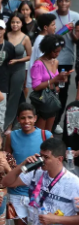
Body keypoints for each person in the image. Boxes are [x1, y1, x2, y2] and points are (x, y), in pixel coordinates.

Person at [4, 102, 52, 225]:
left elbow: (53, 162)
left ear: (35, 119)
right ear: (18, 119)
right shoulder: (12, 136)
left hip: (39, 193)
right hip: (16, 192)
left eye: (30, 117)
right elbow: (6, 160)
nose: (26, 121)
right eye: (22, 118)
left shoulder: (45, 135)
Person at [30, 34, 69, 132]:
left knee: (48, 132)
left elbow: (55, 81)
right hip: (42, 101)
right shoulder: (38, 64)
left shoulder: (55, 62)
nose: (57, 54)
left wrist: (62, 79)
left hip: (52, 100)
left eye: (59, 51)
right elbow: (36, 86)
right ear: (48, 49)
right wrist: (54, 80)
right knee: (39, 133)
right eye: (55, 51)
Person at [51, 0, 79, 134]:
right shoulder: (50, 16)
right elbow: (45, 37)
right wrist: (60, 32)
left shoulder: (76, 16)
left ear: (70, 2)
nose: (63, 3)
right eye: (61, 0)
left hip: (66, 61)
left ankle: (56, 121)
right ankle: (46, 120)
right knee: (48, 90)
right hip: (50, 60)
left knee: (62, 93)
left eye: (66, 0)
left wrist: (71, 32)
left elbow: (77, 40)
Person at [5, 12, 32, 133]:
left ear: (22, 24)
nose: (15, 24)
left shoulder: (25, 37)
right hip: (5, 70)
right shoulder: (5, 35)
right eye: (13, 22)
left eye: (17, 22)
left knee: (13, 97)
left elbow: (30, 56)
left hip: (19, 70)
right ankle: (17, 120)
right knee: (5, 96)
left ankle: (8, 125)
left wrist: (17, 60)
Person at [26, 13, 57, 90]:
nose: (55, 27)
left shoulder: (43, 39)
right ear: (45, 27)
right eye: (53, 25)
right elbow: (44, 64)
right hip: (41, 84)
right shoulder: (42, 41)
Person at [20, 1, 39, 97]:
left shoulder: (35, 23)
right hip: (19, 52)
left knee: (25, 82)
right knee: (19, 79)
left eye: (27, 9)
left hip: (30, 53)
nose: (25, 12)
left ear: (31, 10)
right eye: (23, 10)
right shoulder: (17, 22)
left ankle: (23, 102)